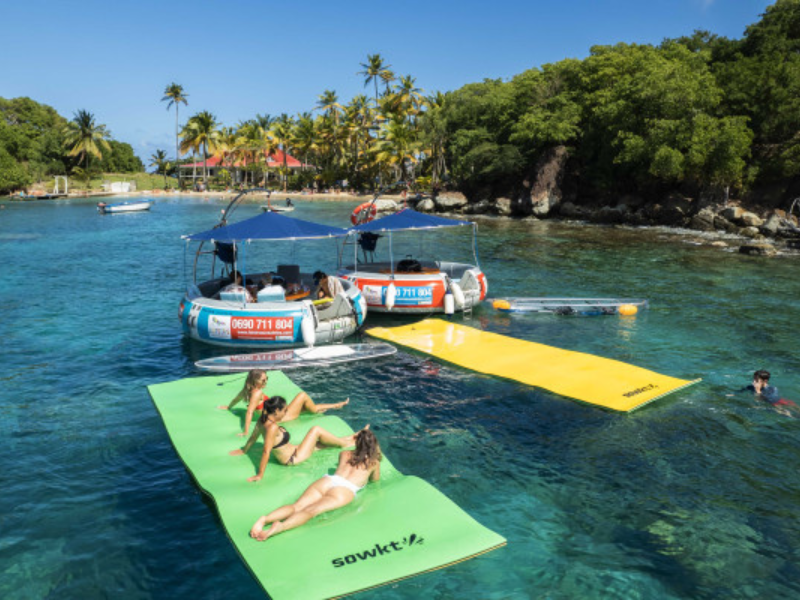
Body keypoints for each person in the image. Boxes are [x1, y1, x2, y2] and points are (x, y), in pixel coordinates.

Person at [249, 428, 382, 540]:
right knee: (311, 511)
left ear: (357, 442)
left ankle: (265, 519)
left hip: (328, 481)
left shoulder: (344, 454)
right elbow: (374, 481)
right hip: (344, 490)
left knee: (297, 506)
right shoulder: (374, 462)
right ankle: (281, 527)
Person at [230, 395, 368, 482]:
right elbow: (266, 451)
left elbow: (253, 438)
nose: (285, 412)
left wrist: (244, 450)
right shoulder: (272, 428)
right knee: (316, 430)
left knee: (324, 441)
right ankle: (349, 441)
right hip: (293, 458)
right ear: (276, 411)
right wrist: (260, 474)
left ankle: (353, 437)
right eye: (284, 410)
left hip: (295, 450)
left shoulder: (263, 420)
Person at [218, 369, 350, 436]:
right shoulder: (257, 393)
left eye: (267, 379)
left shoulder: (248, 390)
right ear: (255, 381)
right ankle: (335, 406)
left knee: (307, 406)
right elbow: (250, 412)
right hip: (283, 417)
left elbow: (236, 399)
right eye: (263, 380)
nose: (266, 382)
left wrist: (228, 407)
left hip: (279, 412)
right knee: (303, 397)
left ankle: (333, 406)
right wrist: (246, 432)